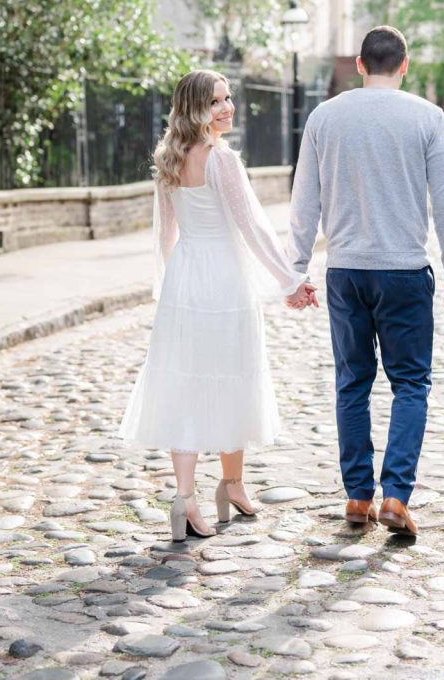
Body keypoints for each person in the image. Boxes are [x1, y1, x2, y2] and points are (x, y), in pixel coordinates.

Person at [118, 70, 316, 542]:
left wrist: (171, 285)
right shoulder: (220, 159)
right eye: (215, 103)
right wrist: (291, 278)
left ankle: (201, 493)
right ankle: (218, 488)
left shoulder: (168, 157)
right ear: (194, 109)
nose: (226, 108)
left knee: (188, 383)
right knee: (231, 376)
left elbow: (167, 235)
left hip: (186, 278)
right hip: (224, 279)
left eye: (228, 99)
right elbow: (253, 227)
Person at [287, 26, 444, 536]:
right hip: (405, 271)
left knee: (352, 383)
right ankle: (396, 496)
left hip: (345, 270)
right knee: (411, 384)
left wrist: (295, 269)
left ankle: (357, 495)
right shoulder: (428, 118)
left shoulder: (325, 116)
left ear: (360, 66)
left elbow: (306, 200)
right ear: (405, 65)